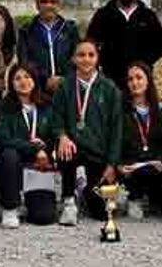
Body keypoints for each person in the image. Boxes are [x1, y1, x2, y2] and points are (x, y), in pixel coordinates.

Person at [49, 39, 124, 226]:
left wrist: (111, 164)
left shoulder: (109, 88)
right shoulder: (65, 86)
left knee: (103, 213)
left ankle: (84, 190)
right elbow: (56, 117)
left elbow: (117, 129)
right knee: (65, 150)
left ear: (97, 58)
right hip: (73, 147)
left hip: (98, 153)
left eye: (91, 55)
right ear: (73, 59)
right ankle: (68, 200)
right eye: (81, 55)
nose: (86, 59)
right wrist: (62, 136)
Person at [86, 0, 162, 91]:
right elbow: (91, 43)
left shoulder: (148, 16)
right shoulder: (102, 15)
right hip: (111, 81)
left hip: (140, 81)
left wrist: (143, 64)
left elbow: (159, 46)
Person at [0, 65, 56, 229]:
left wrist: (46, 149)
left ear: (35, 80)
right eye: (18, 78)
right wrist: (35, 148)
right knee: (9, 154)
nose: (23, 81)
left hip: (39, 165)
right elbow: (3, 139)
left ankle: (32, 201)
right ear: (11, 83)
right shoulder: (4, 106)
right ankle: (10, 207)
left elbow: (55, 133)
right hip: (15, 164)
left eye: (28, 77)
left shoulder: (47, 105)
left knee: (44, 217)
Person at [117, 62, 162, 220]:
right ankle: (134, 198)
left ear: (148, 81)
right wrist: (119, 164)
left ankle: (151, 198)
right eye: (130, 79)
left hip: (155, 168)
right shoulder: (120, 111)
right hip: (130, 168)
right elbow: (114, 142)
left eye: (139, 78)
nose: (134, 82)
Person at [17, 0, 80, 93]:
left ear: (59, 5)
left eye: (53, 2)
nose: (48, 5)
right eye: (44, 2)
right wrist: (45, 80)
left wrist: (63, 80)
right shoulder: (26, 31)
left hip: (67, 89)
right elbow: (24, 62)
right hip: (38, 90)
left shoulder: (70, 29)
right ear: (37, 5)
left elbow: (77, 58)